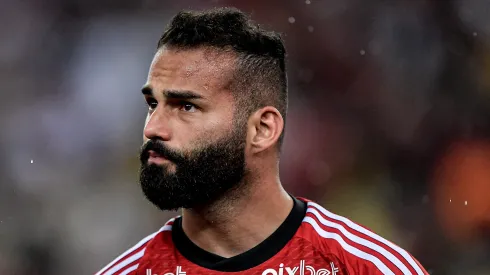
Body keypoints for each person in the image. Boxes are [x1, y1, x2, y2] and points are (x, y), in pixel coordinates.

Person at [95, 7, 429, 275]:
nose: (153, 128)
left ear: (263, 129)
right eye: (153, 104)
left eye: (186, 106)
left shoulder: (367, 268)